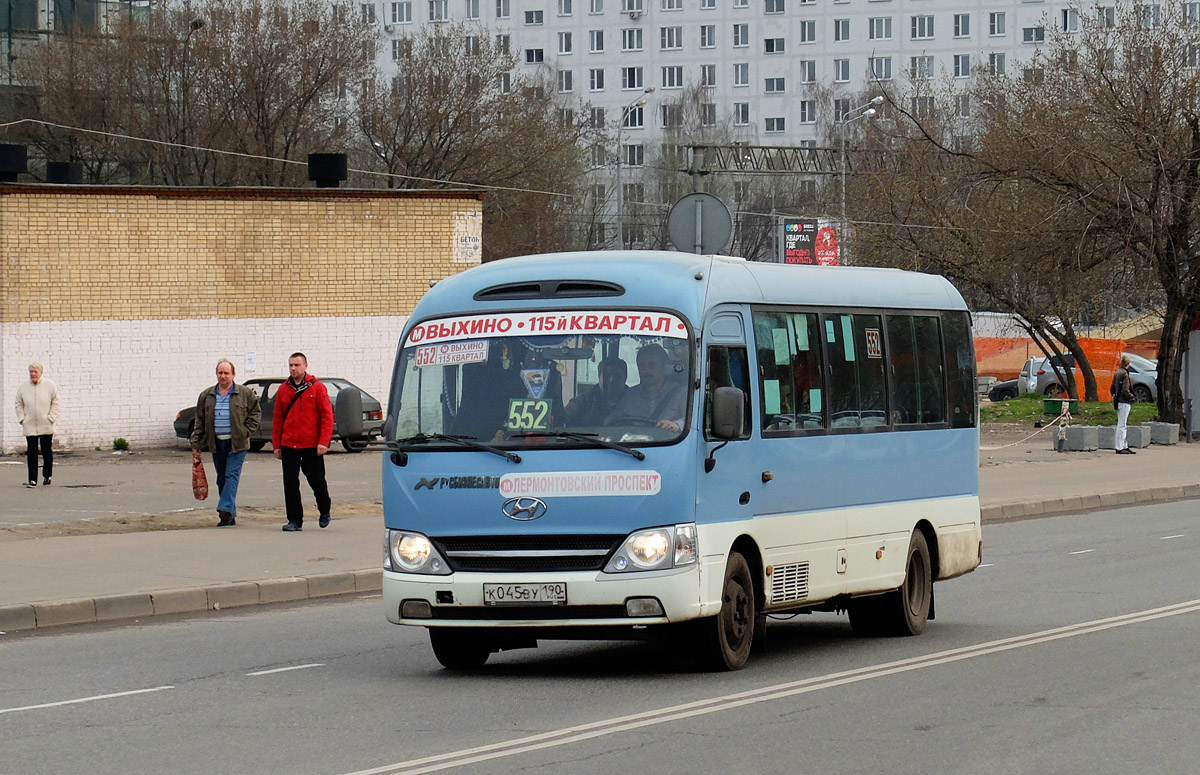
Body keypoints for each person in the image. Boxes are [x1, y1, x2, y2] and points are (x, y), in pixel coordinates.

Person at [190, 359, 261, 526]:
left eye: (226, 373)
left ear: (233, 375)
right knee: (222, 479)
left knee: (231, 475)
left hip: (237, 443)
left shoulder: (244, 393)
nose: (223, 376)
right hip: (216, 443)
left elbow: (256, 414)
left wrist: (245, 431)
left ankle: (224, 508)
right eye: (220, 373)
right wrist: (196, 445)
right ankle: (229, 514)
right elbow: (199, 421)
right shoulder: (206, 395)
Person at [273, 352, 334, 531]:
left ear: (305, 366)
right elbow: (278, 419)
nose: (293, 368)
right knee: (290, 483)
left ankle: (324, 509)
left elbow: (327, 417)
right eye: (291, 365)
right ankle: (294, 520)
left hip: (311, 445)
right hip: (289, 444)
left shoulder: (317, 388)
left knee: (317, 481)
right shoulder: (283, 389)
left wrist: (323, 441)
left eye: (297, 365)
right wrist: (277, 444)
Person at [606, 344, 686, 432]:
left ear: (664, 367)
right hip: (632, 443)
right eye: (641, 365)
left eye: (652, 365)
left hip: (671, 443)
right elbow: (612, 421)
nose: (646, 370)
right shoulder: (631, 395)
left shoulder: (682, 393)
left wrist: (676, 425)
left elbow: (693, 420)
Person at [15, 362, 61, 488]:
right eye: (31, 372)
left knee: (46, 452)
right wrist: (22, 419)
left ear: (41, 372)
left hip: (45, 424)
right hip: (30, 425)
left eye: (35, 372)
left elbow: (56, 403)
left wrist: (51, 418)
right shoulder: (24, 387)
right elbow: (18, 403)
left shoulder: (50, 385)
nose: (33, 374)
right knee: (32, 453)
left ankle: (47, 475)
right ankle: (32, 479)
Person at [563, 357, 628, 426]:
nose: (612, 380)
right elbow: (562, 424)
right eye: (607, 375)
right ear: (599, 376)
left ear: (625, 378)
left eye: (617, 376)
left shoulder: (635, 401)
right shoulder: (582, 402)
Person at [1112, 354, 1136, 455]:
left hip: (1118, 400)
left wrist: (1114, 396)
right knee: (1122, 425)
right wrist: (1131, 397)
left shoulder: (1117, 372)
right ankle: (1120, 446)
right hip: (1124, 402)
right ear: (1128, 364)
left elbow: (1112, 387)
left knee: (1122, 423)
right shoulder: (1125, 374)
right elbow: (1125, 390)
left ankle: (1124, 445)